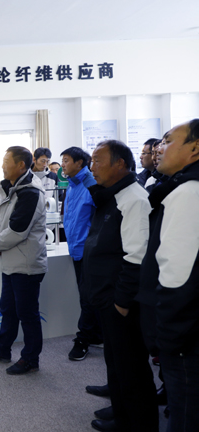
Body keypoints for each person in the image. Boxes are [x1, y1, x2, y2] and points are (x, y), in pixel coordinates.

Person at [81, 140, 156, 432]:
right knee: (116, 360)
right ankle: (121, 410)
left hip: (119, 299)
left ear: (120, 164)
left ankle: (136, 422)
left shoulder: (134, 198)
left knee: (131, 365)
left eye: (98, 161)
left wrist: (122, 301)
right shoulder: (112, 195)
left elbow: (137, 255)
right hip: (106, 296)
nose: (92, 167)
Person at [138, 120, 199, 432]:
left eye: (168, 141)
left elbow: (177, 274)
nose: (158, 149)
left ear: (195, 148)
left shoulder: (188, 192)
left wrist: (167, 335)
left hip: (184, 334)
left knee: (185, 411)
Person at [0, 146, 48, 375]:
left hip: (26, 265)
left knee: (27, 314)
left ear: (21, 165)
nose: (2, 165)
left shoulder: (30, 192)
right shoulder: (9, 188)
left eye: (6, 161)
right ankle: (2, 349)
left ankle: (30, 359)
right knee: (8, 308)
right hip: (10, 262)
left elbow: (18, 230)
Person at [59, 147, 102, 361]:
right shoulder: (72, 184)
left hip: (89, 250)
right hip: (76, 248)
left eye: (66, 160)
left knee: (87, 297)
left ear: (80, 163)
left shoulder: (91, 183)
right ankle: (95, 334)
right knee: (86, 295)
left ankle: (83, 339)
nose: (63, 165)